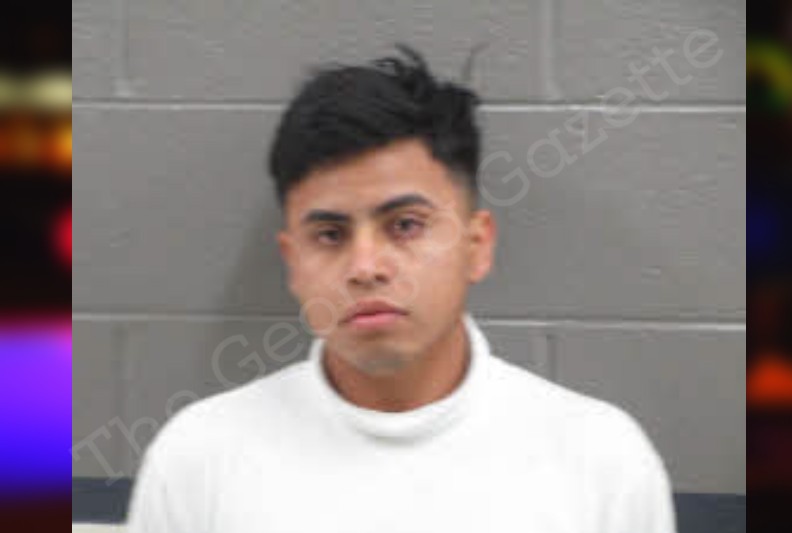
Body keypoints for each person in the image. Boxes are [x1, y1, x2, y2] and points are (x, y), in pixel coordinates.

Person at [127, 45, 676, 533]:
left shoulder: (602, 462)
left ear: (477, 245)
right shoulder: (197, 460)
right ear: (293, 264)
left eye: (406, 225)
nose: (365, 267)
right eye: (330, 234)